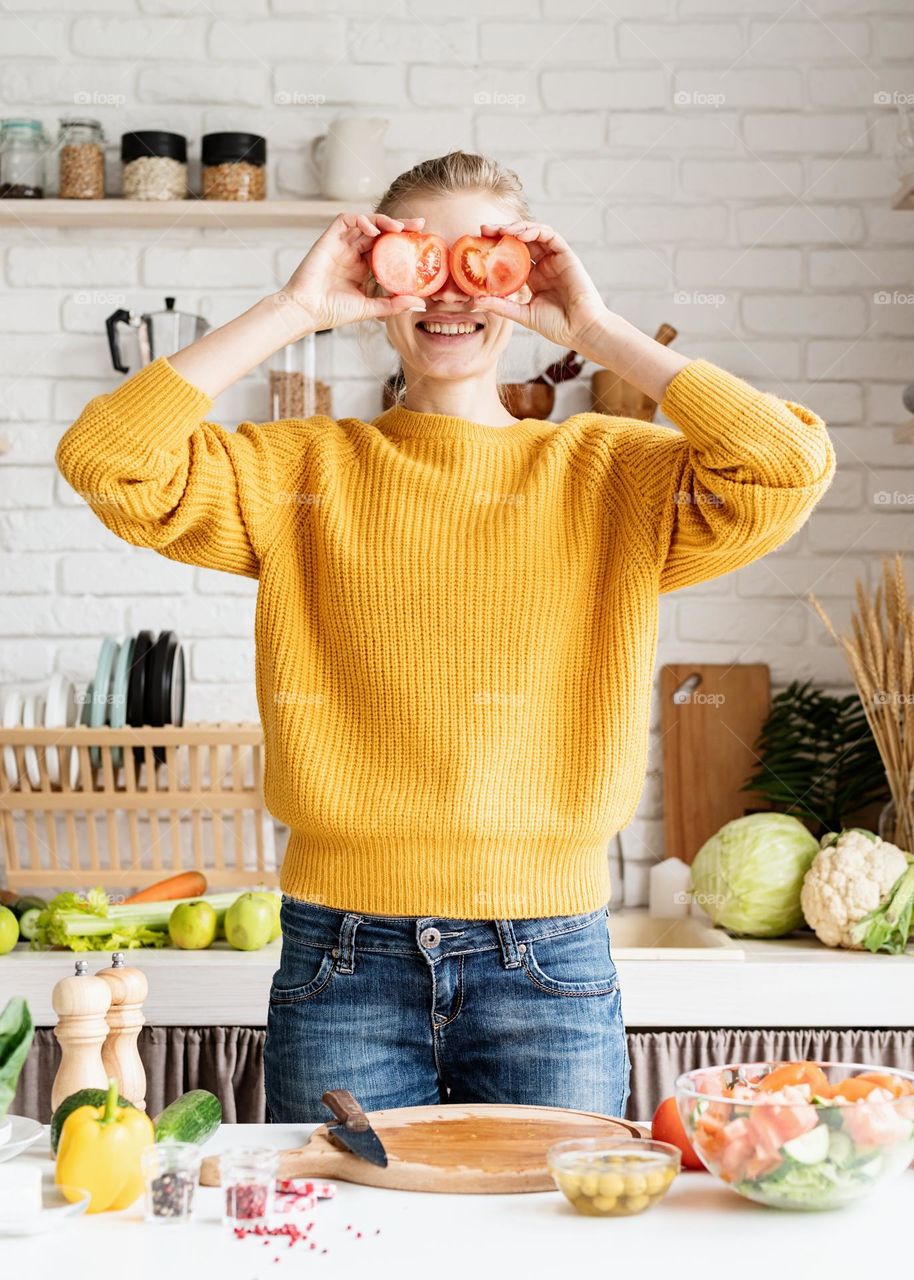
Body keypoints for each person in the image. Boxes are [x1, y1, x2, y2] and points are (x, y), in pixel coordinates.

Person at [56, 151, 835, 1121]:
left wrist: (594, 328)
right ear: (378, 284)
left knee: (557, 1249)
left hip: (546, 953)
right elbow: (106, 459)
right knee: (341, 1249)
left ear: (523, 281)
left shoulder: (610, 472)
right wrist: (294, 307)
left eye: (484, 260)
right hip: (341, 951)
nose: (451, 292)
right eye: (422, 261)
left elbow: (787, 465)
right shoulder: (299, 470)